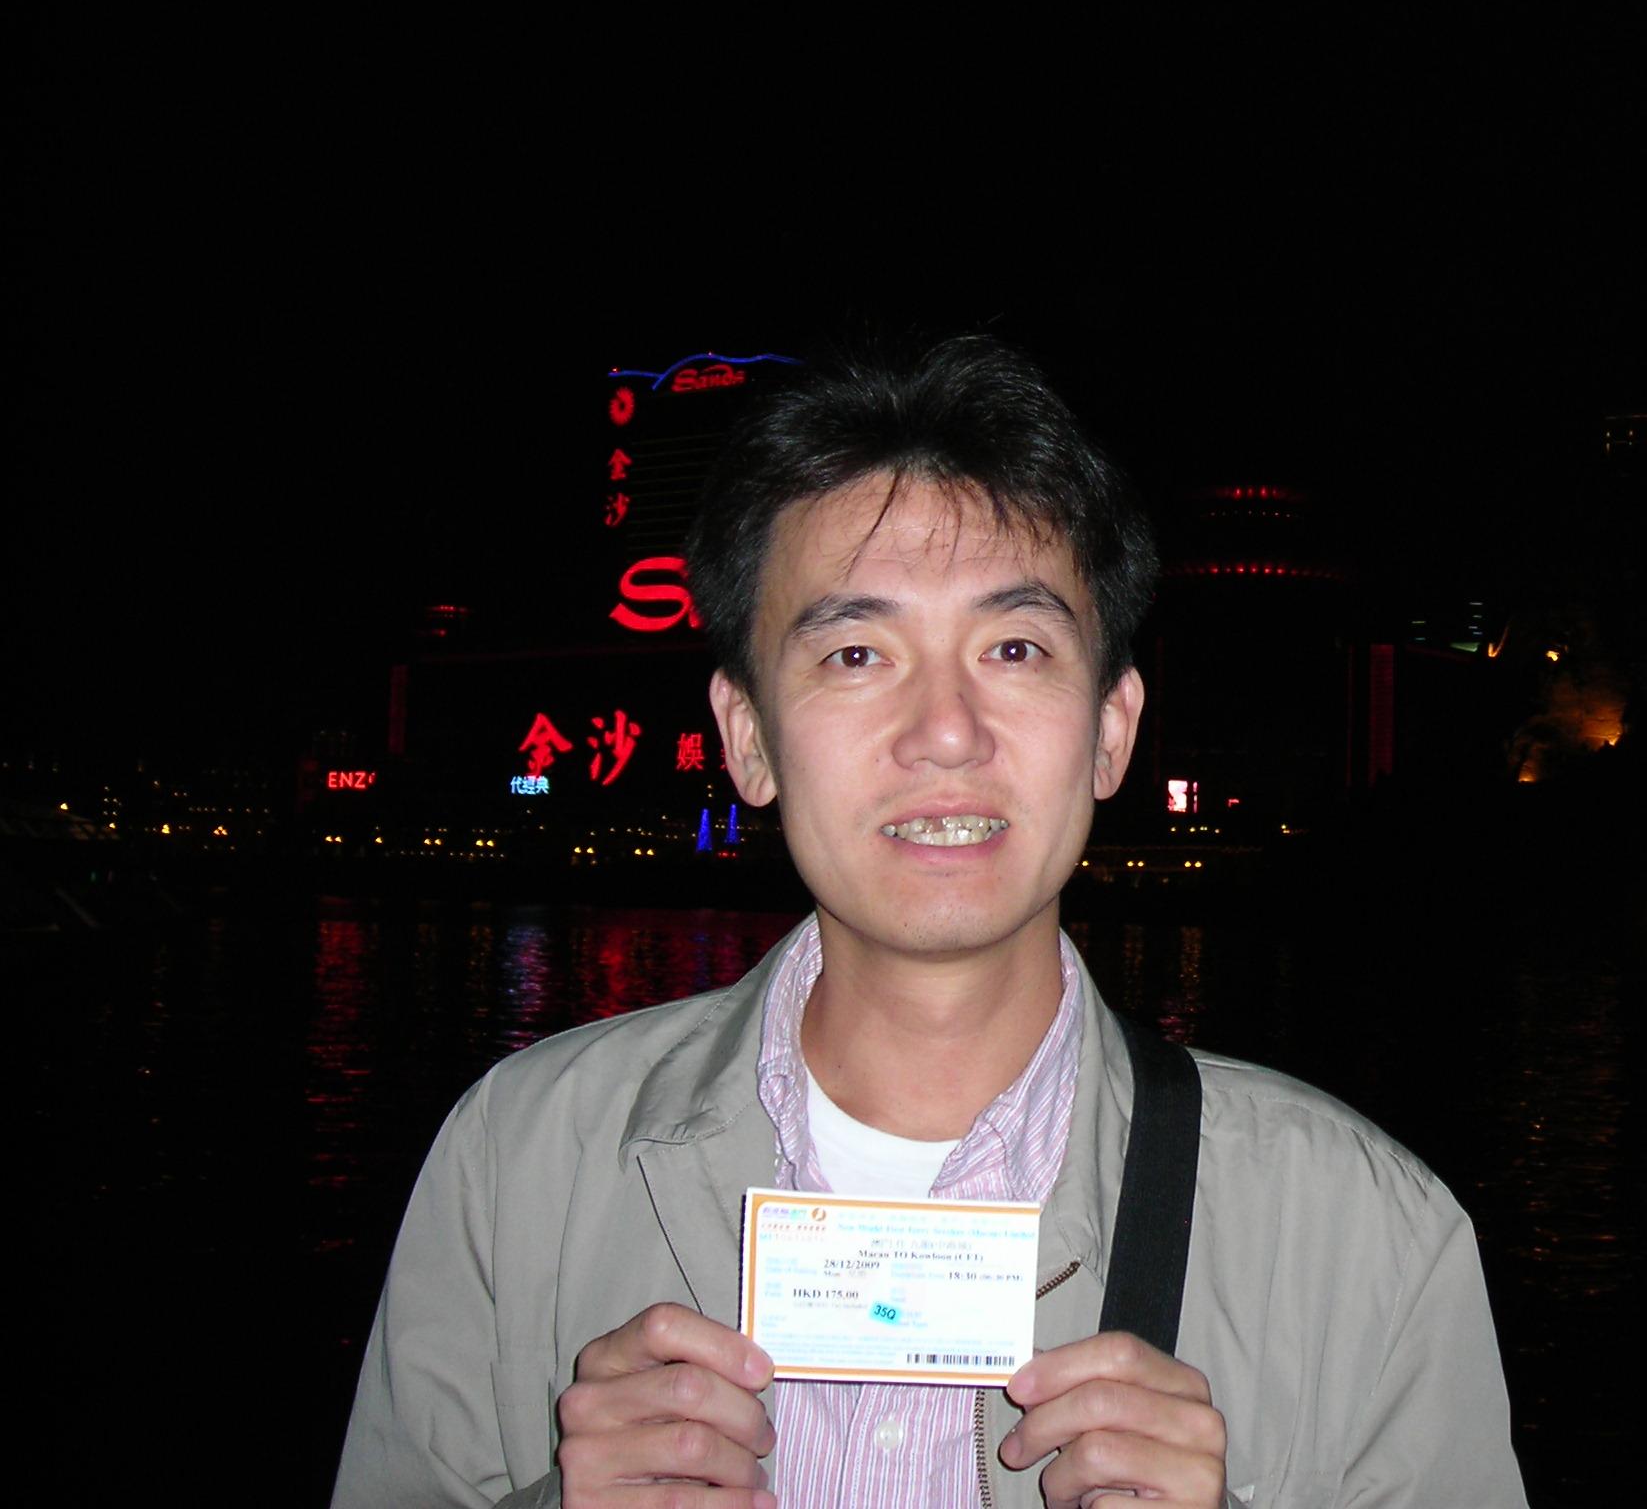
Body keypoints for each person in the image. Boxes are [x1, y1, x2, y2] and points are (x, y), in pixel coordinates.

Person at [334, 337, 1528, 1508]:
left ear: (1111, 730)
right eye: (857, 653)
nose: (945, 732)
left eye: (1014, 647)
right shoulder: (518, 1163)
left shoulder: (1367, 1236)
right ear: (747, 737)